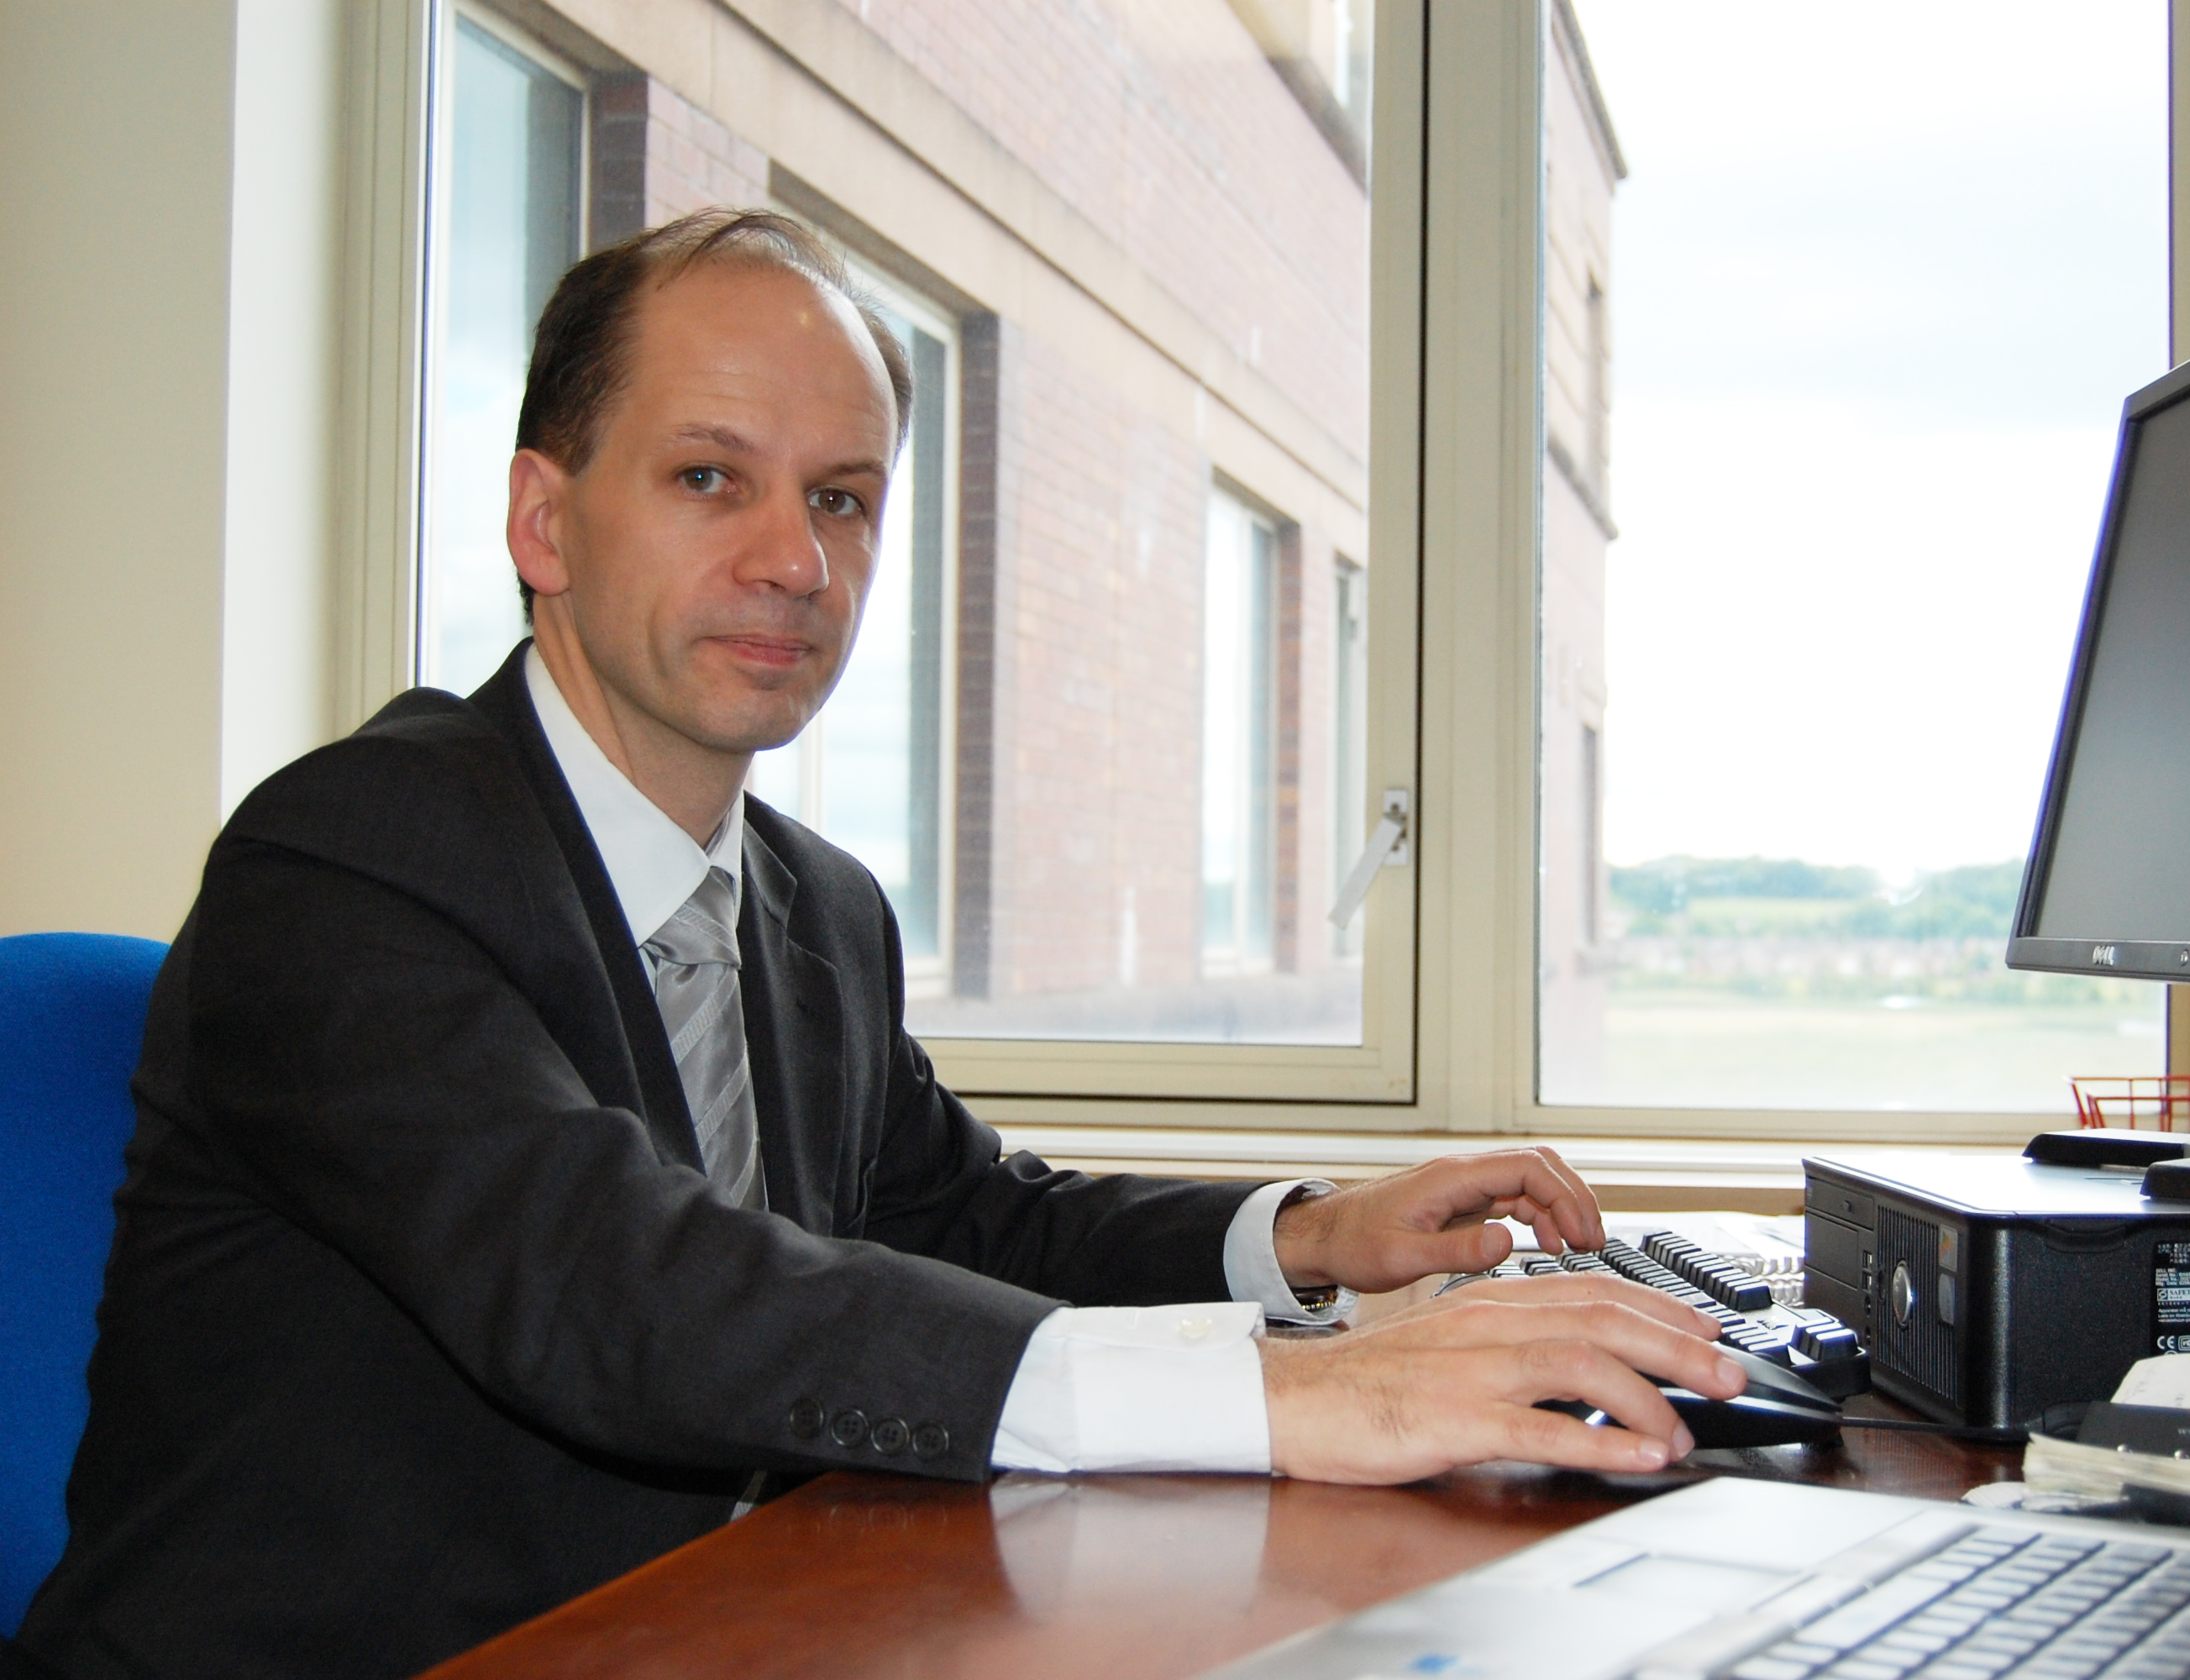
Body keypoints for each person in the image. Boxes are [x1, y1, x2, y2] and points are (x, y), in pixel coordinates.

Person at [11, 210, 1742, 1679]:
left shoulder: (814, 904)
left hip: (730, 1626)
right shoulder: (350, 861)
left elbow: (968, 1216)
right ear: (546, 522)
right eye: (710, 479)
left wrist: (1306, 1242)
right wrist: (1296, 1403)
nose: (792, 559)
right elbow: (617, 1286)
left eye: (842, 500)